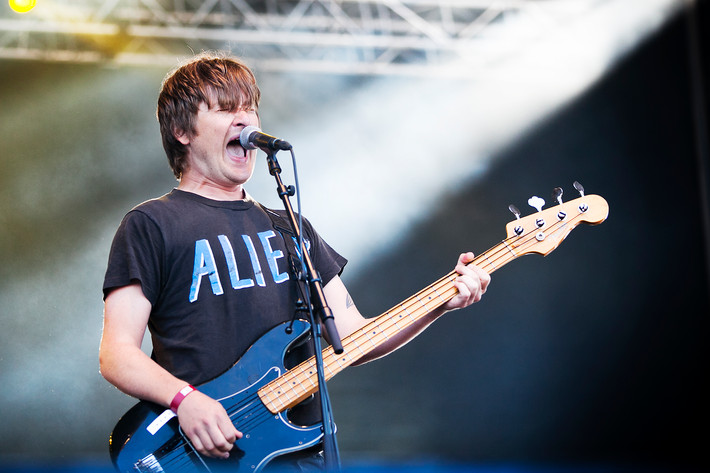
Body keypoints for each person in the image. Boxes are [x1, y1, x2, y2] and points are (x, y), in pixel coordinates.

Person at [99, 51, 491, 471]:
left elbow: (354, 339)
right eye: (227, 108)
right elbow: (116, 354)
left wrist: (441, 303)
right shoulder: (151, 224)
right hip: (200, 455)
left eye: (250, 108)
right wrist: (186, 399)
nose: (245, 120)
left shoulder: (291, 228)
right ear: (181, 131)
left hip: (299, 458)